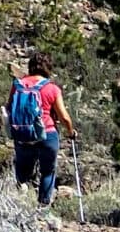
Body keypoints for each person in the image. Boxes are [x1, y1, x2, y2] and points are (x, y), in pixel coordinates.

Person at [5, 53, 77, 208]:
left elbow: (9, 107)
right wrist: (70, 131)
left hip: (22, 134)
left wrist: (1, 122)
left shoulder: (18, 84)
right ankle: (42, 207)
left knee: (22, 170)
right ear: (48, 68)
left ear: (30, 67)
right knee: (48, 171)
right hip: (47, 134)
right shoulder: (52, 88)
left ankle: (20, 197)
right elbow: (64, 117)